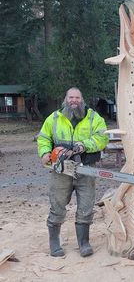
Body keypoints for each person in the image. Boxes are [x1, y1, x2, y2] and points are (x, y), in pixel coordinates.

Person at [37, 87, 109, 257]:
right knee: (57, 206)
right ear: (66, 99)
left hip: (86, 168)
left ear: (82, 99)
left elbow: (102, 137)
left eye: (77, 97)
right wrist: (45, 152)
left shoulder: (93, 117)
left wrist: (83, 145)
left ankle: (84, 243)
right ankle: (54, 243)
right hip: (61, 170)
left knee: (86, 206)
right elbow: (43, 137)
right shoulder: (54, 118)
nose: (74, 101)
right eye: (71, 97)